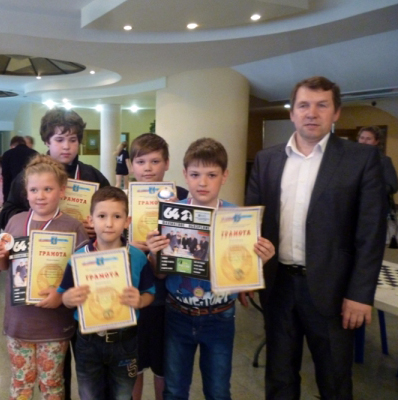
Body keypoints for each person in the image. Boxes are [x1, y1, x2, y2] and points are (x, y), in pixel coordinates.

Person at [246, 76, 387, 399]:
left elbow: (371, 233)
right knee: (279, 377)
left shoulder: (361, 160)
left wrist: (360, 294)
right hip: (278, 286)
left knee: (334, 379)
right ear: (292, 113)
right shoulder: (267, 159)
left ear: (336, 112)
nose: (312, 113)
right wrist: (245, 274)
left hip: (333, 291)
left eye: (322, 105)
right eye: (304, 105)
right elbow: (253, 223)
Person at [147, 138, 275, 400]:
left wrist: (259, 261)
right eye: (195, 174)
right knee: (174, 389)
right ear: (185, 175)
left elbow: (242, 274)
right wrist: (155, 253)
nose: (202, 182)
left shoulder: (238, 218)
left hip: (220, 316)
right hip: (178, 313)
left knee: (218, 391)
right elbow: (160, 273)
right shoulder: (171, 216)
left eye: (212, 175)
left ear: (225, 176)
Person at [0, 155, 89, 400]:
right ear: (26, 192)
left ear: (62, 191)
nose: (40, 196)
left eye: (48, 189)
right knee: (20, 384)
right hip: (19, 322)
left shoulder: (72, 227)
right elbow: (4, 266)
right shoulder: (15, 222)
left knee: (52, 385)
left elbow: (83, 275)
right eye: (34, 190)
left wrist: (61, 295)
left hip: (54, 324)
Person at [58, 186, 155, 400]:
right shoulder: (78, 258)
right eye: (102, 216)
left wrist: (140, 301)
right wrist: (68, 298)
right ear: (90, 220)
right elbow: (64, 295)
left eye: (117, 216)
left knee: (123, 394)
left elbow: (150, 292)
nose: (109, 223)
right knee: (89, 394)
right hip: (88, 341)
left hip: (126, 340)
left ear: (127, 221)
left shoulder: (137, 257)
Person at [128, 132, 189, 400]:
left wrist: (179, 215)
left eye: (155, 161)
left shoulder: (182, 197)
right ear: (131, 165)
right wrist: (127, 244)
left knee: (166, 366)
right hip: (134, 294)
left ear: (167, 163)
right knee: (134, 364)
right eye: (141, 162)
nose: (148, 168)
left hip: (170, 296)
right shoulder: (122, 199)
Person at [0, 108, 110, 236]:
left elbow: (112, 211)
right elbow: (6, 214)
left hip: (83, 245)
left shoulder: (93, 176)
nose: (66, 146)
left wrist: (98, 224)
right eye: (59, 140)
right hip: (40, 244)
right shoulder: (30, 176)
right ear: (47, 141)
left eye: (72, 140)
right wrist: (37, 219)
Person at [1, 136, 38, 202]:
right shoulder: (34, 153)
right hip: (30, 191)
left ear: (12, 145)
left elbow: (6, 178)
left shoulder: (7, 154)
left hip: (13, 193)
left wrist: (6, 200)